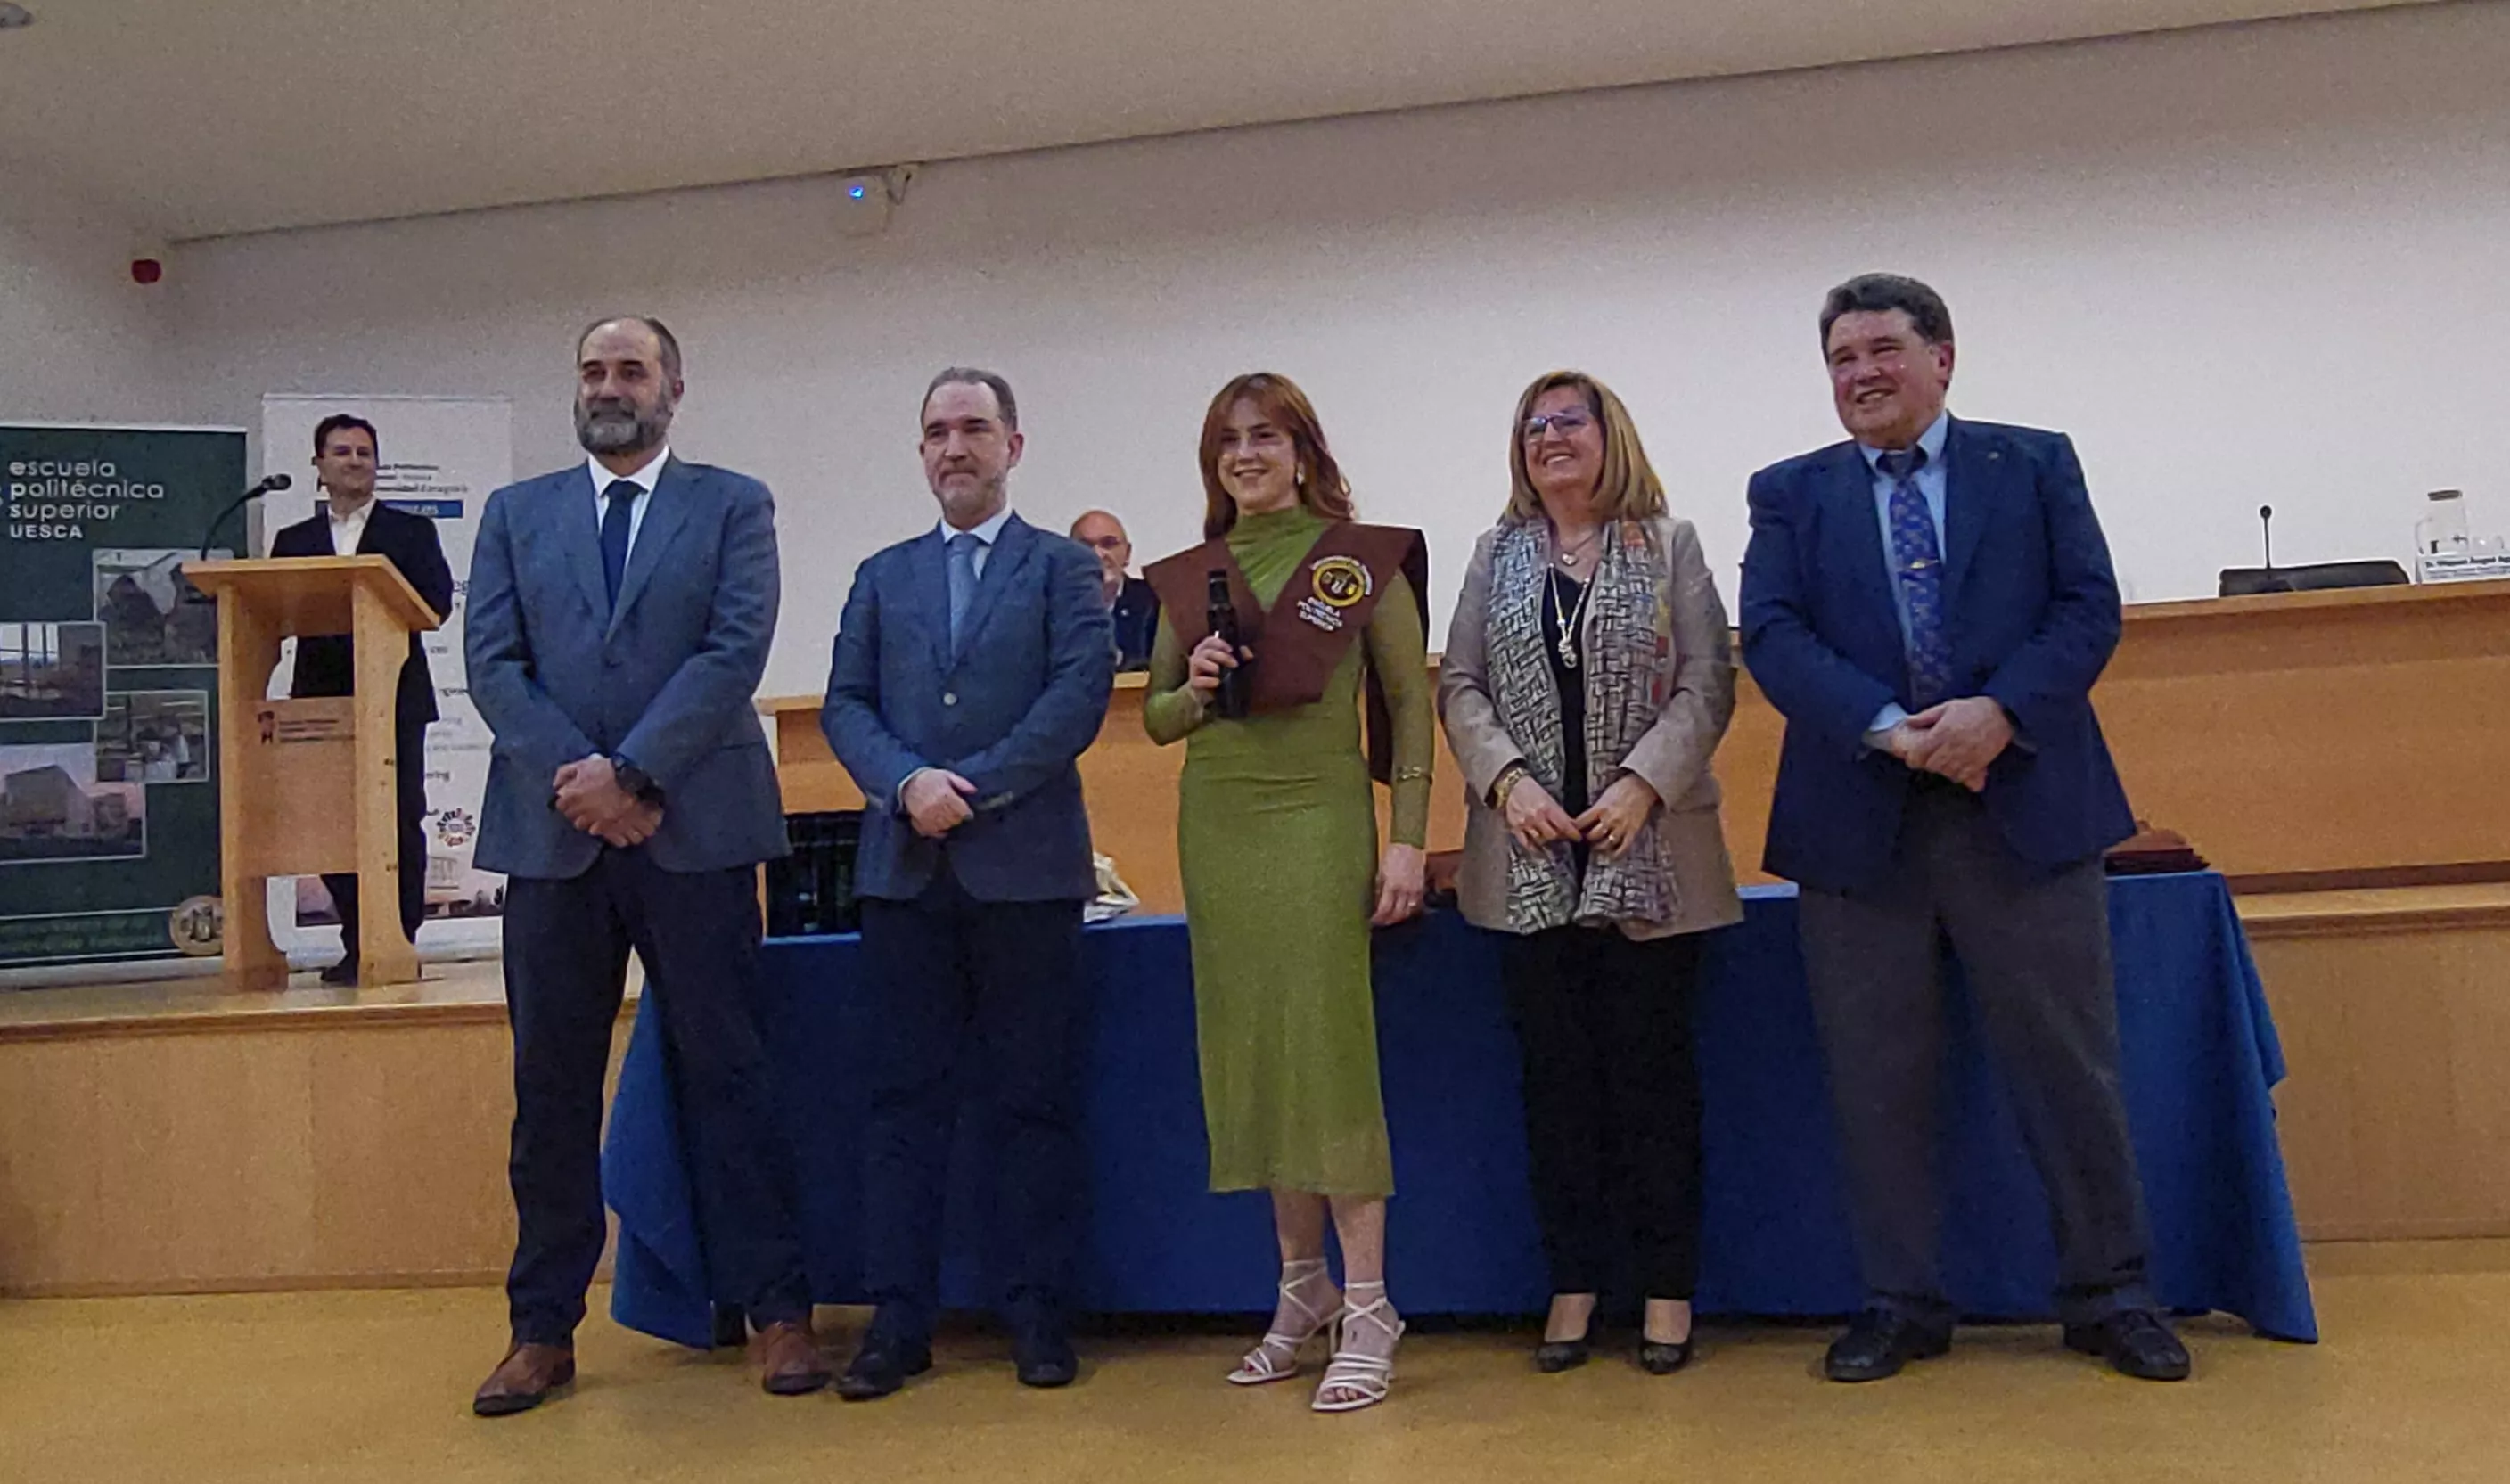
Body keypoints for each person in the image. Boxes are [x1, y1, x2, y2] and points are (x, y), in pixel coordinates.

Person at [1738, 274, 2190, 1383]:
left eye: (1883, 349)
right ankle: (1899, 1303)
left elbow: (2086, 607)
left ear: (1942, 358)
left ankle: (2110, 1294)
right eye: (1841, 358)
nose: (1861, 375)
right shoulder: (1788, 492)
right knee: (1876, 1080)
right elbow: (1772, 634)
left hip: (2025, 808)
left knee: (2067, 1067)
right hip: (1860, 825)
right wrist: (1891, 729)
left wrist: (1995, 716)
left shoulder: (2031, 463)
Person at [464, 316, 826, 1414]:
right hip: (552, 837)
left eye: (630, 370)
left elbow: (734, 648)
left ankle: (776, 1313)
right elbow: (491, 661)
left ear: (674, 387)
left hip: (696, 827)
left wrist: (632, 774)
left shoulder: (732, 503)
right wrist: (581, 777)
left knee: (732, 1075)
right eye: (592, 370)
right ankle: (541, 1331)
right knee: (551, 1090)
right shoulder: (514, 514)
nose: (608, 387)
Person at [1437, 370, 1742, 1375]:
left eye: (1569, 420)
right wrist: (1506, 784)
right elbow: (1460, 685)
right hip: (1525, 859)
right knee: (1554, 1090)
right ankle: (1571, 1282)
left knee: (1656, 1087)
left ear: (1610, 435)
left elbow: (1708, 680)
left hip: (1650, 855)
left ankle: (1664, 1290)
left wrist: (1642, 785)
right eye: (1532, 425)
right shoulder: (1496, 554)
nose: (1549, 437)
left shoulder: (1669, 546)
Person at [1140, 372, 1431, 1413]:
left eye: (1265, 436)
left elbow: (1408, 706)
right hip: (1218, 829)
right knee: (1254, 1053)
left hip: (1317, 822)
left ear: (1303, 450)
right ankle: (1296, 1292)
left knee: (1326, 1053)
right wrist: (1198, 683)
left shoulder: (1358, 562)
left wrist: (1407, 844)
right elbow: (1157, 722)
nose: (1245, 454)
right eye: (1227, 440)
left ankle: (1370, 1306)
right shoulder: (1191, 575)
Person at [822, 367, 1114, 1400]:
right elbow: (843, 706)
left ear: (1013, 446)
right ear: (921, 452)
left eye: (974, 429)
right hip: (904, 877)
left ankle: (1038, 1317)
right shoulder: (880, 574)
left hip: (1025, 874)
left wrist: (970, 789)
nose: (955, 447)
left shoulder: (1062, 570)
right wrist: (904, 783)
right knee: (901, 1104)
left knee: (1032, 1103)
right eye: (937, 432)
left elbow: (1077, 699)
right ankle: (897, 1323)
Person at [269, 414, 454, 986]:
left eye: (365, 453)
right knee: (332, 825)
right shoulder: (293, 542)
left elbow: (436, 604)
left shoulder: (411, 533)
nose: (355, 461)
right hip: (322, 702)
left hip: (394, 697)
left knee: (399, 822)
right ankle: (355, 940)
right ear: (319, 466)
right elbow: (273, 611)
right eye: (342, 452)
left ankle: (397, 941)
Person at [1070, 509, 1161, 670]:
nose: (1097, 554)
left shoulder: (1155, 601)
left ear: (1127, 554)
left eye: (1109, 544)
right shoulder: (1052, 607)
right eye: (1084, 546)